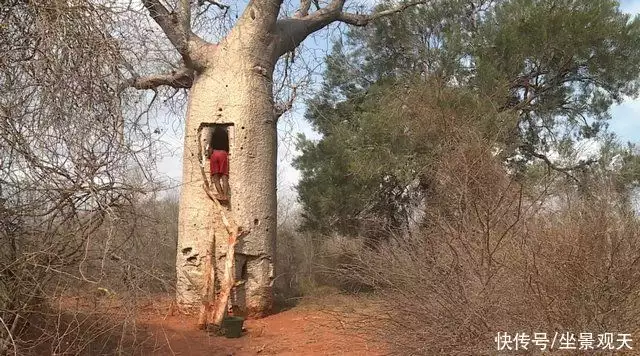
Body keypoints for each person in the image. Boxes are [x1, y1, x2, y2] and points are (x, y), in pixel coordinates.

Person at [208, 126, 230, 201]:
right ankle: (225, 196)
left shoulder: (213, 135)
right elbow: (228, 147)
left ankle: (220, 195)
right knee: (224, 177)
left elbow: (210, 148)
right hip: (223, 154)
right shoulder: (225, 134)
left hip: (214, 154)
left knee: (216, 178)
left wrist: (209, 156)